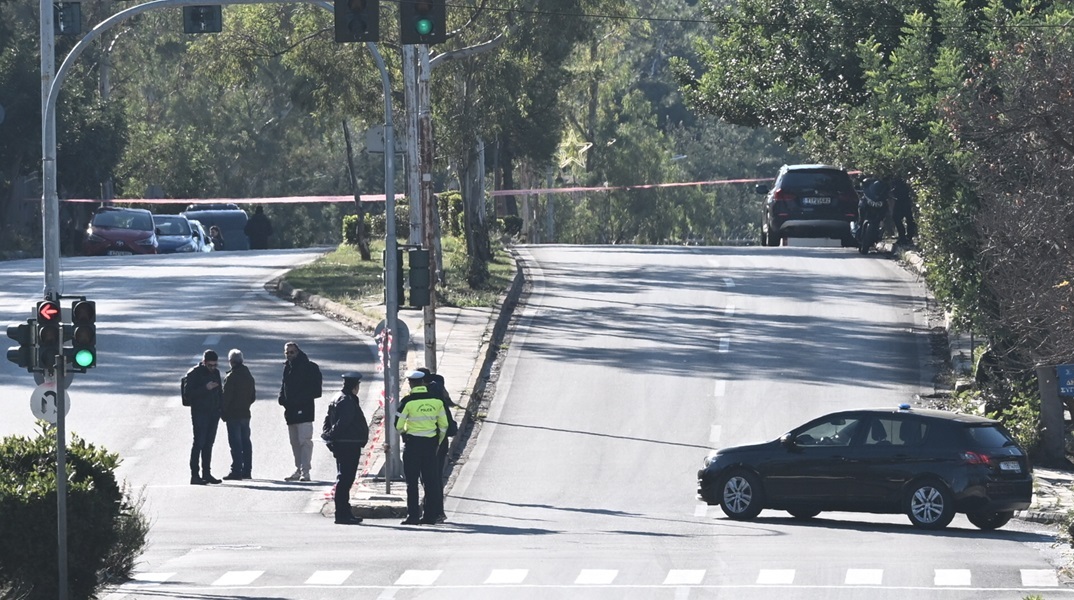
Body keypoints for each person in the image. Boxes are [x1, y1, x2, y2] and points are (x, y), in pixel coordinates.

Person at [396, 370, 448, 525]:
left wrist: (405, 434)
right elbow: (444, 426)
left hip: (412, 445)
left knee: (411, 483)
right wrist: (438, 440)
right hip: (431, 446)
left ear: (411, 383)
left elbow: (398, 425)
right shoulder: (437, 402)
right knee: (430, 481)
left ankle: (412, 516)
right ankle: (430, 516)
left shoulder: (407, 402)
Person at [322, 372, 369, 525]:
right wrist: (330, 436)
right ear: (355, 386)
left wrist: (328, 435)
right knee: (345, 479)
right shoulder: (347, 400)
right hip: (348, 444)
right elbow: (342, 423)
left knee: (345, 478)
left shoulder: (338, 397)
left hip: (345, 443)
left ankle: (345, 511)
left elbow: (327, 419)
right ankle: (342, 513)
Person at [416, 366, 457, 523]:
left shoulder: (430, 396)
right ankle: (436, 511)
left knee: (429, 479)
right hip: (439, 442)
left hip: (433, 443)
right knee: (434, 478)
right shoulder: (437, 391)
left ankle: (432, 512)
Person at [278, 342, 322, 481]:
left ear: (298, 352)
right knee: (295, 442)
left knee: (305, 442)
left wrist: (298, 400)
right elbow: (284, 385)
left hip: (304, 411)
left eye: (292, 352)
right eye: (287, 352)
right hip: (290, 412)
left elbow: (315, 391)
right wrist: (282, 398)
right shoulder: (287, 367)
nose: (289, 355)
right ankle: (298, 469)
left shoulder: (309, 367)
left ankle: (305, 471)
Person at [185, 350, 223, 485]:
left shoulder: (216, 373)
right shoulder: (194, 373)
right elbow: (189, 394)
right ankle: (195, 475)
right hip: (200, 413)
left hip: (213, 413)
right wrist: (205, 388)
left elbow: (220, 392)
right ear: (204, 362)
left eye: (215, 365)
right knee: (199, 443)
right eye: (210, 365)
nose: (213, 368)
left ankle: (207, 473)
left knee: (209, 444)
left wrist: (220, 409)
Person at [221, 348, 256, 480]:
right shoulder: (248, 375)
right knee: (246, 442)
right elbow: (253, 396)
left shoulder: (231, 377)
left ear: (231, 362)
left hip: (233, 415)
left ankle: (236, 470)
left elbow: (226, 398)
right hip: (245, 413)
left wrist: (223, 412)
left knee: (235, 444)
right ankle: (247, 470)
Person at [890, 177, 918, 245]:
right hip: (901, 201)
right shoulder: (898, 180)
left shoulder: (904, 180)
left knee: (908, 219)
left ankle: (907, 237)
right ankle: (904, 237)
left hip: (904, 202)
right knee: (899, 218)